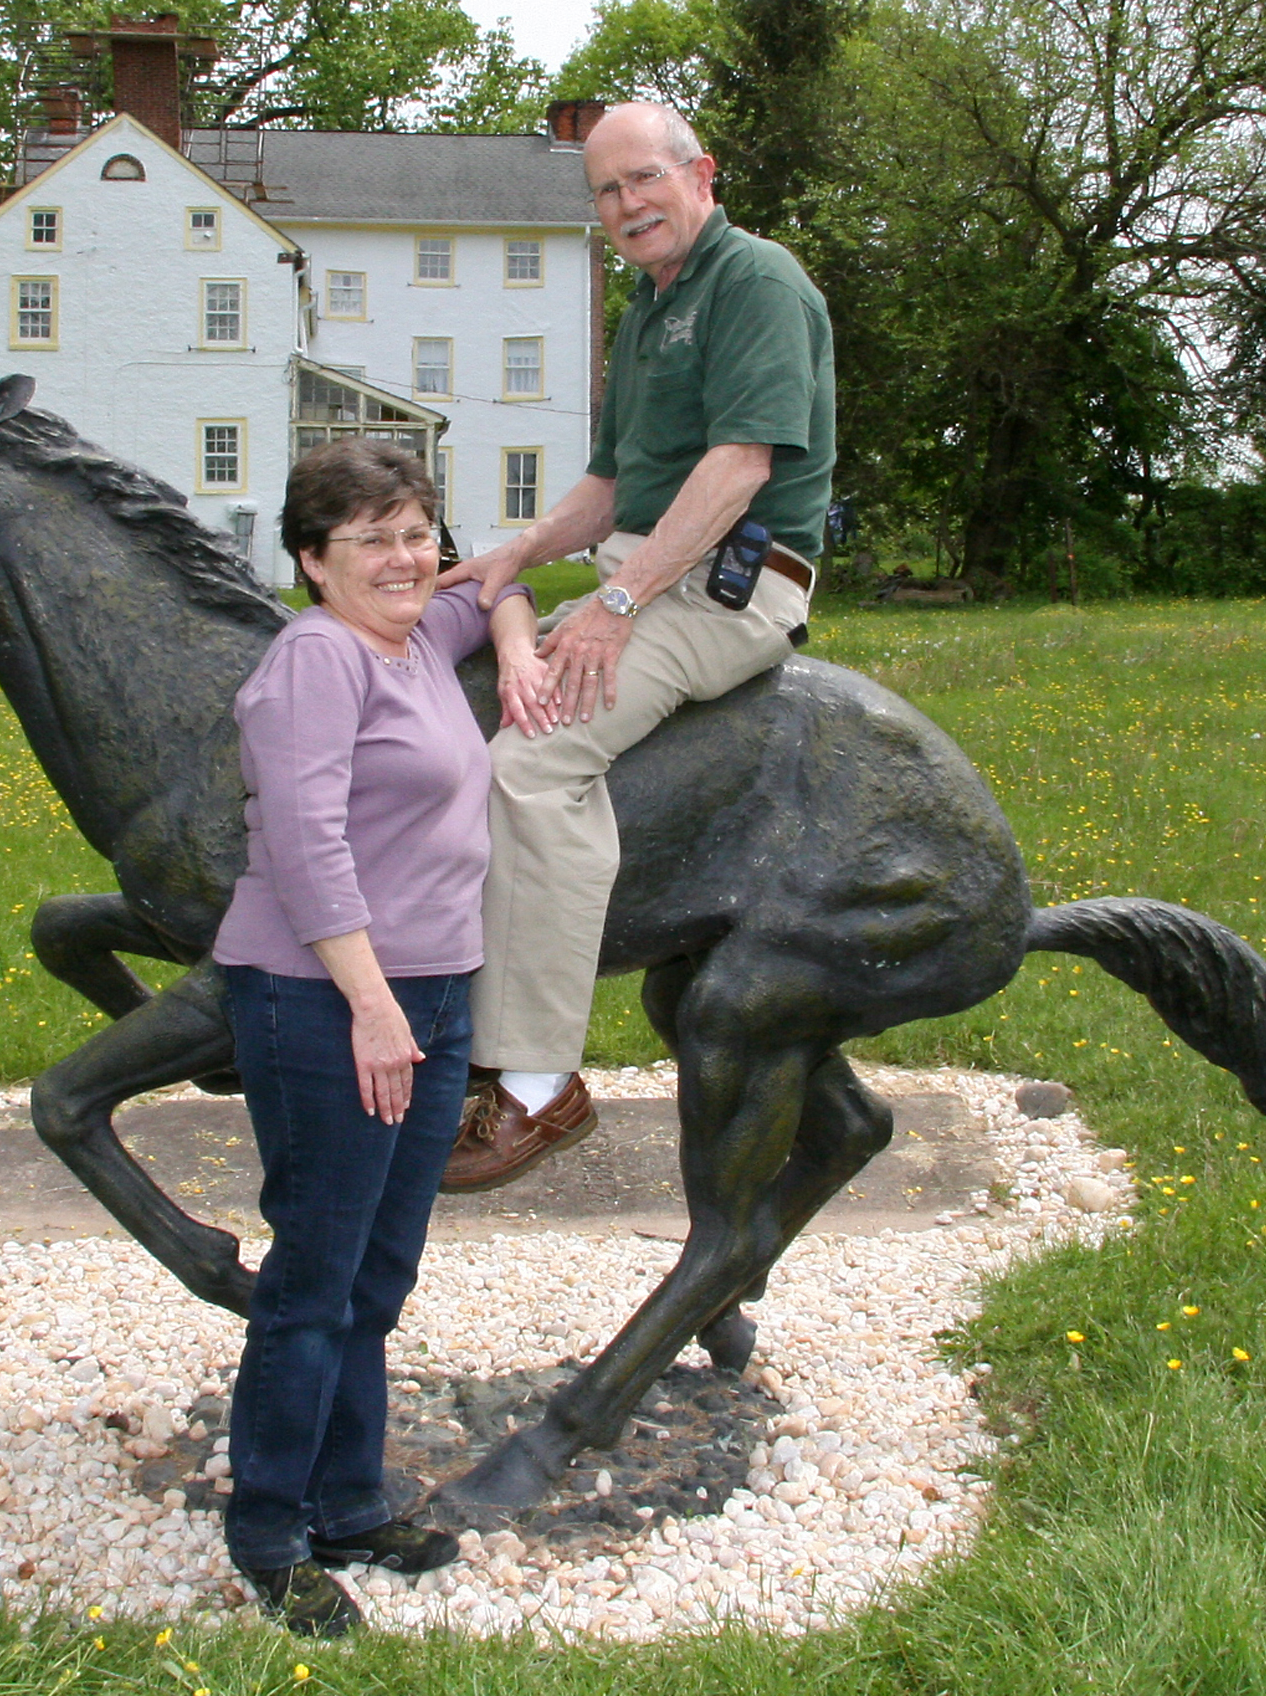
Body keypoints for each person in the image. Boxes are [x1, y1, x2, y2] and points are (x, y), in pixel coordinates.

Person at [434, 100, 836, 1191]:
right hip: (652, 573)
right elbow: (611, 485)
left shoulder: (755, 282)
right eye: (605, 193)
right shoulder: (652, 307)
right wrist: (513, 558)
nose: (625, 207)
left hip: (728, 590)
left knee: (537, 759)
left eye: (643, 181)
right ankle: (466, 1032)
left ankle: (538, 1086)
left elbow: (742, 465)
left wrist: (616, 607)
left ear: (700, 173)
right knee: (474, 715)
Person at [211, 439, 549, 1635]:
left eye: (417, 532)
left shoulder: (416, 636)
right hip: (330, 999)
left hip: (438, 992)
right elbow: (305, 845)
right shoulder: (317, 660)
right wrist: (370, 1005)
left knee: (378, 1275)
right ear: (311, 560)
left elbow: (502, 574)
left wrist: (504, 631)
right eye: (372, 540)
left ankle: (350, 1501)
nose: (407, 559)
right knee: (313, 1277)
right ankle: (268, 1528)